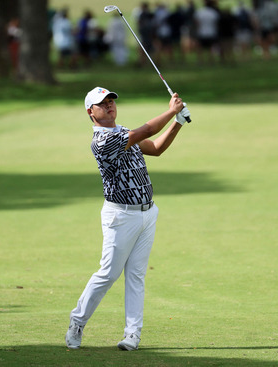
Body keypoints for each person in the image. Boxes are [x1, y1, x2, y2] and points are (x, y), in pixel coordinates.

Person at [65, 87, 191, 351]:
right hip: (120, 216)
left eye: (111, 101)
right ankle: (77, 322)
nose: (109, 105)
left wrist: (177, 123)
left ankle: (132, 335)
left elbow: (155, 148)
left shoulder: (121, 132)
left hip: (147, 213)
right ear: (91, 112)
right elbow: (145, 132)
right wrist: (171, 110)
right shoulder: (102, 140)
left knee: (136, 275)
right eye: (103, 103)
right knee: (108, 274)